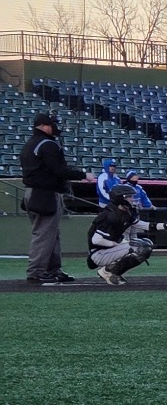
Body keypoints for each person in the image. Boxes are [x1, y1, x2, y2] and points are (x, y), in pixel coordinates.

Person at [19, 112, 88, 286]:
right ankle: (37, 271)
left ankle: (53, 270)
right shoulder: (48, 144)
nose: (55, 126)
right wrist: (83, 175)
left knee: (52, 234)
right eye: (52, 123)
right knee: (43, 234)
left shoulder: (30, 144)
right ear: (42, 125)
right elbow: (60, 170)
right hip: (45, 194)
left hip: (33, 192)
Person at [86, 184, 167, 286]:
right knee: (140, 247)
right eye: (129, 197)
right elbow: (96, 240)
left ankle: (113, 272)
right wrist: (116, 245)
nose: (132, 199)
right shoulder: (110, 215)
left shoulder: (124, 213)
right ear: (121, 198)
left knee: (146, 244)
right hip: (99, 253)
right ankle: (107, 271)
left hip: (106, 251)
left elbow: (145, 225)